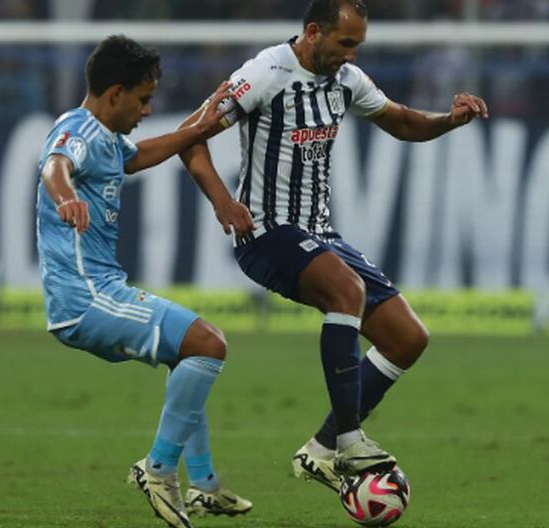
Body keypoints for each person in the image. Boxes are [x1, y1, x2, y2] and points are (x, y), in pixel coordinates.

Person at [177, 0, 488, 492]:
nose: (352, 54)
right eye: (345, 43)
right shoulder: (264, 73)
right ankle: (349, 440)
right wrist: (221, 201)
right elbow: (188, 138)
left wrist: (448, 120)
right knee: (346, 292)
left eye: (358, 45)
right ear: (314, 31)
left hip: (320, 234)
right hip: (265, 233)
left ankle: (321, 449)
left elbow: (403, 122)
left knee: (408, 338)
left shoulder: (346, 81)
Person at [35, 35, 250, 527]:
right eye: (143, 98)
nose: (147, 109)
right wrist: (65, 196)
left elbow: (141, 155)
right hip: (87, 299)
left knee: (189, 351)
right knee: (208, 344)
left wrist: (204, 121)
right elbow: (55, 165)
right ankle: (157, 470)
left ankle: (205, 485)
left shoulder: (108, 139)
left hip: (100, 291)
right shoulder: (78, 129)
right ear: (114, 94)